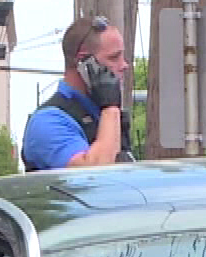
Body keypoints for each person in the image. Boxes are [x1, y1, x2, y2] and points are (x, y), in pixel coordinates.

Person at [21, 16, 133, 171]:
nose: (124, 65)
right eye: (114, 57)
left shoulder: (100, 115)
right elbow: (94, 177)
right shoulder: (48, 121)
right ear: (85, 63)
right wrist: (110, 108)